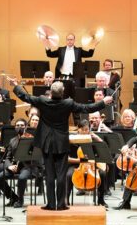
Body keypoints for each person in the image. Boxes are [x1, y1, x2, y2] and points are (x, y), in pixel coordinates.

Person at [9, 77, 112, 210]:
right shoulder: (68, 103)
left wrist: (16, 85)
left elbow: (25, 97)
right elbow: (86, 108)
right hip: (61, 143)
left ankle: (51, 204)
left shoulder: (42, 100)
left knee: (50, 175)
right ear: (62, 93)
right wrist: (103, 102)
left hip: (46, 142)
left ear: (51, 92)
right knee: (62, 175)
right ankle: (61, 204)